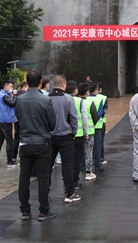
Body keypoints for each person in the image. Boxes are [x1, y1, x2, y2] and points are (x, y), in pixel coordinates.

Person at [15, 70, 57, 221]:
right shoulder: (45, 100)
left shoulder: (19, 99)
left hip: (25, 142)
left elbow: (18, 118)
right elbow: (52, 124)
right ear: (40, 82)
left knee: (24, 177)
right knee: (43, 178)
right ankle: (43, 210)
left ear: (27, 82)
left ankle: (25, 210)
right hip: (41, 143)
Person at [48, 74, 80, 203]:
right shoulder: (68, 99)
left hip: (50, 136)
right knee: (67, 165)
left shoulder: (46, 98)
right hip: (66, 136)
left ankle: (45, 193)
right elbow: (73, 117)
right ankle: (69, 193)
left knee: (47, 166)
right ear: (63, 84)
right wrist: (74, 132)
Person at [0, 80, 18, 168]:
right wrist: (15, 95)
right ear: (6, 86)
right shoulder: (4, 96)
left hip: (0, 120)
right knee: (9, 141)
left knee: (0, 140)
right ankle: (10, 162)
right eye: (11, 86)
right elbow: (12, 103)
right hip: (5, 120)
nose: (12, 88)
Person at [71, 81, 90, 191]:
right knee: (77, 159)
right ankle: (75, 180)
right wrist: (86, 133)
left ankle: (67, 181)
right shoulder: (79, 101)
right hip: (78, 134)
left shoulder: (64, 99)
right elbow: (84, 118)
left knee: (67, 160)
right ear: (75, 90)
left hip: (66, 134)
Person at [82, 82, 99, 181]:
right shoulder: (89, 102)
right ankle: (88, 171)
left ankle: (80, 169)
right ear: (87, 92)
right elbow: (95, 117)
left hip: (76, 132)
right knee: (89, 152)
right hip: (89, 131)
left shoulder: (73, 101)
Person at [88, 83, 106, 173]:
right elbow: (102, 111)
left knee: (87, 147)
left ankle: (85, 166)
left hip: (87, 126)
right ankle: (97, 165)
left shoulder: (85, 99)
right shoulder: (101, 99)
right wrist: (96, 119)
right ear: (96, 90)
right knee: (97, 146)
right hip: (98, 125)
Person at [10, 82, 29, 164]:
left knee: (16, 138)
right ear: (24, 87)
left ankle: (13, 156)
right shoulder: (25, 96)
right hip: (23, 119)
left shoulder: (16, 95)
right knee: (24, 137)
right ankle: (23, 156)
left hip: (16, 119)